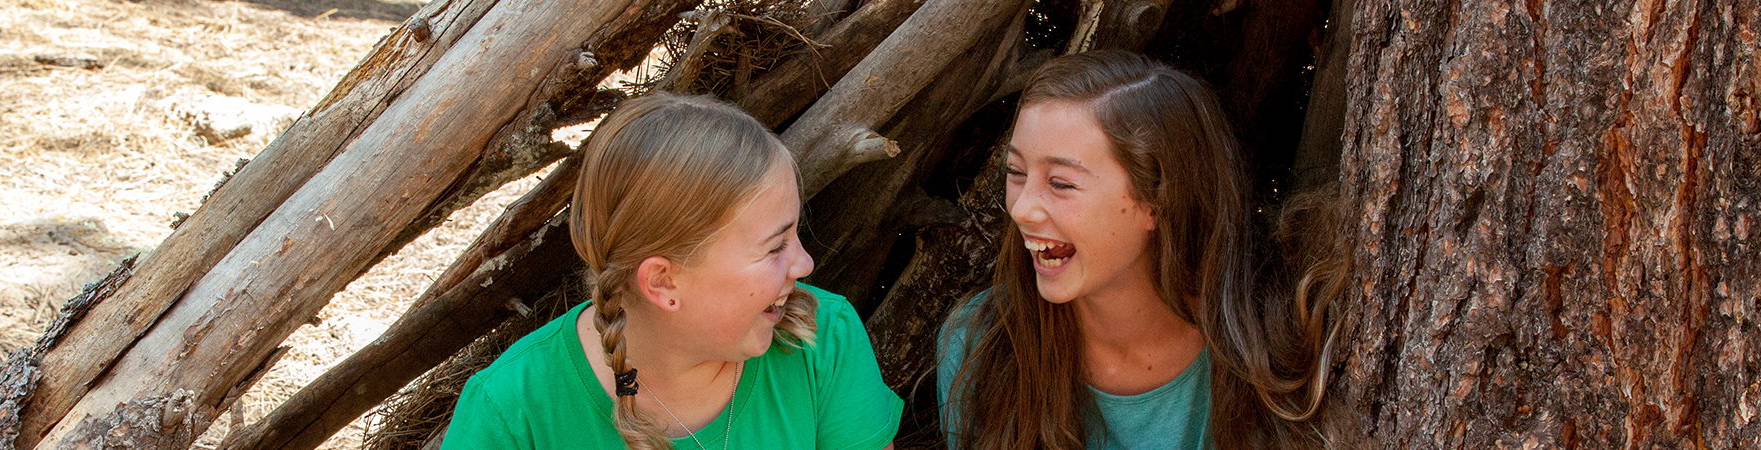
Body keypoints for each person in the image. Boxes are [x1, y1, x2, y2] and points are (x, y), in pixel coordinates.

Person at [443, 92, 903, 450]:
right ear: (663, 282)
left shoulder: (822, 342)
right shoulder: (512, 410)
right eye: (775, 246)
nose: (805, 264)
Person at [936, 50, 1346, 450]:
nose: (1022, 208)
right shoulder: (981, 341)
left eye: (1061, 184)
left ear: (1158, 198)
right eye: (1016, 173)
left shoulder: (1283, 342)